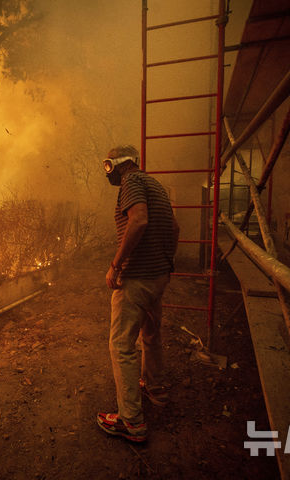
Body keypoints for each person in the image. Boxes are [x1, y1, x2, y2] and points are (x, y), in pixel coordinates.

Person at [96, 145, 179, 443]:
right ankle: (156, 389)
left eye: (108, 166)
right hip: (158, 276)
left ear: (117, 165)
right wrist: (166, 261)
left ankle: (131, 421)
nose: (108, 172)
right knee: (151, 335)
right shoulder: (155, 185)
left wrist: (116, 265)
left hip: (136, 279)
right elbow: (175, 227)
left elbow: (139, 220)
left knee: (121, 345)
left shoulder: (131, 182)